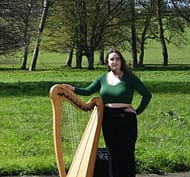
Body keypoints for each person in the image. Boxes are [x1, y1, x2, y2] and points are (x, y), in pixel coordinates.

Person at [63, 49, 152, 177]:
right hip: (108, 117)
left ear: (121, 62)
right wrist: (73, 89)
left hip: (126, 117)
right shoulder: (102, 78)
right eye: (112, 59)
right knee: (112, 153)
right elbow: (87, 91)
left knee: (126, 153)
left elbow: (147, 95)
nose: (114, 61)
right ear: (108, 63)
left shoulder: (130, 78)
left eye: (117, 59)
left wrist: (137, 111)